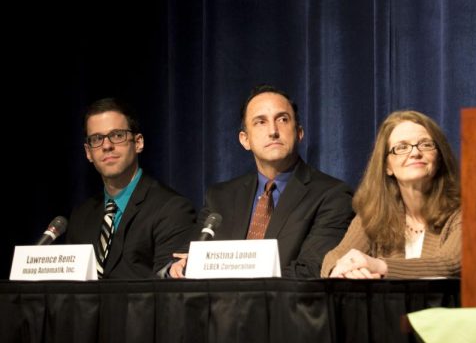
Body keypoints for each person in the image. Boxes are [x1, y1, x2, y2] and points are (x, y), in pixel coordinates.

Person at [171, 84, 353, 278]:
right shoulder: (220, 198)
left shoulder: (332, 195)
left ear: (299, 133)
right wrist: (177, 268)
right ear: (245, 140)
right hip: (220, 307)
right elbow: (185, 257)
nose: (273, 131)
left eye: (282, 119)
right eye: (260, 122)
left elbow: (311, 270)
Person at [321, 110, 461, 279]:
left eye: (425, 144)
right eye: (402, 147)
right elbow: (335, 257)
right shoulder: (374, 214)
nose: (415, 153)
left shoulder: (464, 209)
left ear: (439, 158)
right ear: (387, 166)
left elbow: (449, 263)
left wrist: (378, 266)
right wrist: (342, 270)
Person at [67, 98, 196, 279]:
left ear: (138, 143)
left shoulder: (172, 209)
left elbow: (167, 291)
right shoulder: (81, 215)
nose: (106, 145)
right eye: (97, 139)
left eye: (117, 135)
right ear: (88, 152)